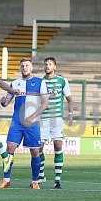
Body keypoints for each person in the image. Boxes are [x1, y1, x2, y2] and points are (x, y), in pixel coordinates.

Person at [0, 58, 49, 189]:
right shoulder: (14, 83)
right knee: (9, 149)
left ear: (31, 68)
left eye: (27, 65)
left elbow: (45, 103)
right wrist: (3, 101)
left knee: (35, 152)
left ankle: (35, 181)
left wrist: (33, 117)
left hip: (32, 123)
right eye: (22, 66)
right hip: (17, 123)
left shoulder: (40, 82)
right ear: (20, 68)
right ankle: (6, 179)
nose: (24, 67)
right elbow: (6, 102)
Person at [38, 57, 73, 189]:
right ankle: (41, 174)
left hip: (57, 119)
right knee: (39, 147)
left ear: (55, 67)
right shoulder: (40, 82)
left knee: (58, 146)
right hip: (43, 119)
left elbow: (69, 99)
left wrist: (70, 114)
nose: (47, 66)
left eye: (50, 64)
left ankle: (57, 179)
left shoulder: (62, 81)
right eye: (45, 64)